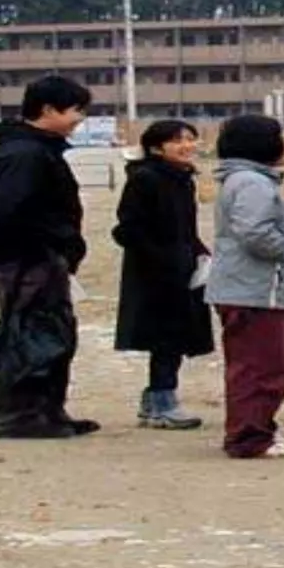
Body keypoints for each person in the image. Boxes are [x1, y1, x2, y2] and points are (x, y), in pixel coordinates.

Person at [0, 74, 96, 439]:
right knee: (29, 333)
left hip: (41, 257)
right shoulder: (24, 153)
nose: (80, 119)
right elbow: (12, 212)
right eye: (76, 110)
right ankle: (21, 415)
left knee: (52, 331)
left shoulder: (37, 149)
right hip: (26, 259)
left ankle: (49, 411)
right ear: (48, 109)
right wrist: (56, 242)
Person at [208, 114, 284, 459]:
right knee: (261, 366)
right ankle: (248, 436)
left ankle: (258, 427)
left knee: (273, 362)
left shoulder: (247, 180)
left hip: (255, 288)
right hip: (254, 289)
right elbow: (255, 231)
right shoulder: (251, 183)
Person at [113, 119, 214, 429]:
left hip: (183, 268)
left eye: (190, 139)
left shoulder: (182, 178)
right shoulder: (146, 179)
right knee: (166, 338)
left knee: (176, 337)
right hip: (156, 274)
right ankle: (162, 401)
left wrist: (200, 253)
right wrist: (162, 259)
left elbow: (185, 227)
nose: (186, 146)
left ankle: (155, 399)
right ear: (156, 147)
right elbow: (127, 229)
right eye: (177, 141)